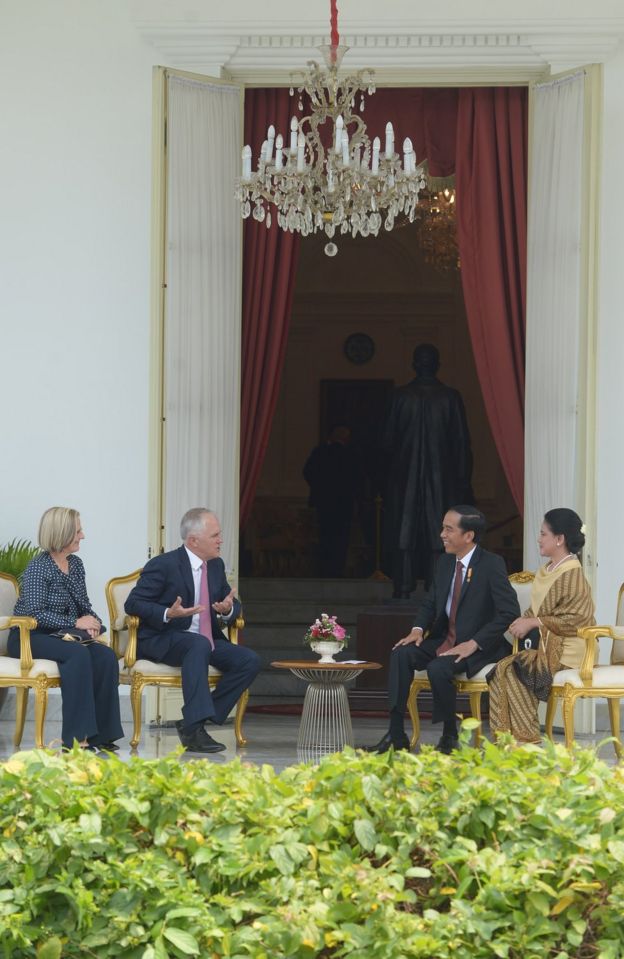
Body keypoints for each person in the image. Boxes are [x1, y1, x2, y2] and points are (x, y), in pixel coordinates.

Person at [366, 505, 519, 755]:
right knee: (401, 654)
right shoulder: (445, 563)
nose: (442, 534)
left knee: (439, 667)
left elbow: (509, 612)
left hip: (478, 646)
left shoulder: (491, 564)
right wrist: (417, 629)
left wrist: (474, 643)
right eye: (443, 528)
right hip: (443, 640)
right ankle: (396, 734)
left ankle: (449, 736)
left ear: (468, 536)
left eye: (449, 529)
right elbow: (430, 602)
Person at [124, 507, 260, 754]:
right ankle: (195, 731)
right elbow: (133, 603)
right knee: (196, 644)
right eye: (215, 535)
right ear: (194, 541)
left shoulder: (216, 565)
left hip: (205, 639)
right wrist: (168, 613)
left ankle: (192, 722)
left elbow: (229, 601)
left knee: (249, 660)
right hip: (164, 638)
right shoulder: (163, 564)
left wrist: (228, 609)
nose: (221, 540)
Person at [9, 507, 123, 752]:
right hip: (29, 636)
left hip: (61, 635)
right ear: (62, 533)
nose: (83, 536)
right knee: (77, 653)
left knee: (104, 656)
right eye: (78, 531)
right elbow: (34, 614)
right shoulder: (38, 567)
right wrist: (75, 623)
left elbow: (84, 605)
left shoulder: (76, 564)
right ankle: (75, 740)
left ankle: (101, 736)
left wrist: (92, 622)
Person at [488, 508, 595, 744]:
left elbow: (577, 620)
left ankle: (527, 744)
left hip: (568, 651)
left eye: (543, 533)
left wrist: (534, 622)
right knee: (501, 670)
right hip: (546, 648)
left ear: (560, 539)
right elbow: (538, 610)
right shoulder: (547, 570)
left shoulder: (572, 574)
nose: (539, 538)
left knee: (519, 672)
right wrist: (523, 620)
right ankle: (506, 742)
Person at [382, 344, 474, 596]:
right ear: (437, 365)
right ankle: (435, 590)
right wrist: (464, 480)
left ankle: (404, 588)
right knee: (438, 530)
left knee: (408, 531)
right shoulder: (448, 397)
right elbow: (461, 444)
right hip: (439, 479)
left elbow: (387, 443)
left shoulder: (401, 397)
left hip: (407, 480)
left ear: (414, 364)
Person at [303, 425, 361, 577]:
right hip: (344, 504)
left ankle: (324, 569)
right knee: (341, 538)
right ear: (346, 439)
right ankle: (337, 569)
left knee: (325, 535)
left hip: (324, 502)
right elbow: (357, 480)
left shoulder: (320, 452)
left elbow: (307, 472)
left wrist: (319, 488)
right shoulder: (351, 455)